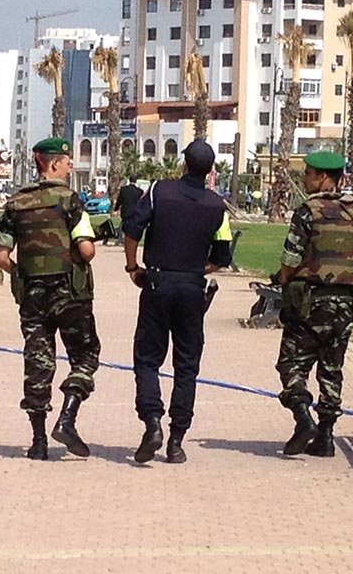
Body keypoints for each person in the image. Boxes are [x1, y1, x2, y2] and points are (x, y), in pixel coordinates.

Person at [122, 140, 232, 464]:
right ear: (210, 171)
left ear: (183, 163)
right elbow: (223, 256)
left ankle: (152, 421)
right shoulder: (217, 206)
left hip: (157, 283)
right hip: (192, 290)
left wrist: (132, 267)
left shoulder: (159, 191)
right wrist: (198, 269)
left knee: (147, 359)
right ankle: (176, 441)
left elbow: (132, 230)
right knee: (186, 367)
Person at [0, 137, 101, 461]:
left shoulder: (15, 203)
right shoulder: (70, 200)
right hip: (69, 295)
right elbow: (86, 249)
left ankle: (38, 442)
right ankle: (67, 419)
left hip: (32, 298)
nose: (70, 166)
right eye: (68, 161)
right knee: (85, 356)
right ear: (53, 163)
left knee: (38, 364)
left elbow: (0, 256)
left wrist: (22, 274)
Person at [272, 151, 353, 457]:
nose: (304, 179)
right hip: (345, 306)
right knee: (331, 370)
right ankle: (326, 437)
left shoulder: (307, 212)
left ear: (321, 177)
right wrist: (345, 278)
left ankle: (304, 419)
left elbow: (290, 260)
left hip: (309, 304)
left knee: (291, 364)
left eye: (307, 173)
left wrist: (282, 278)